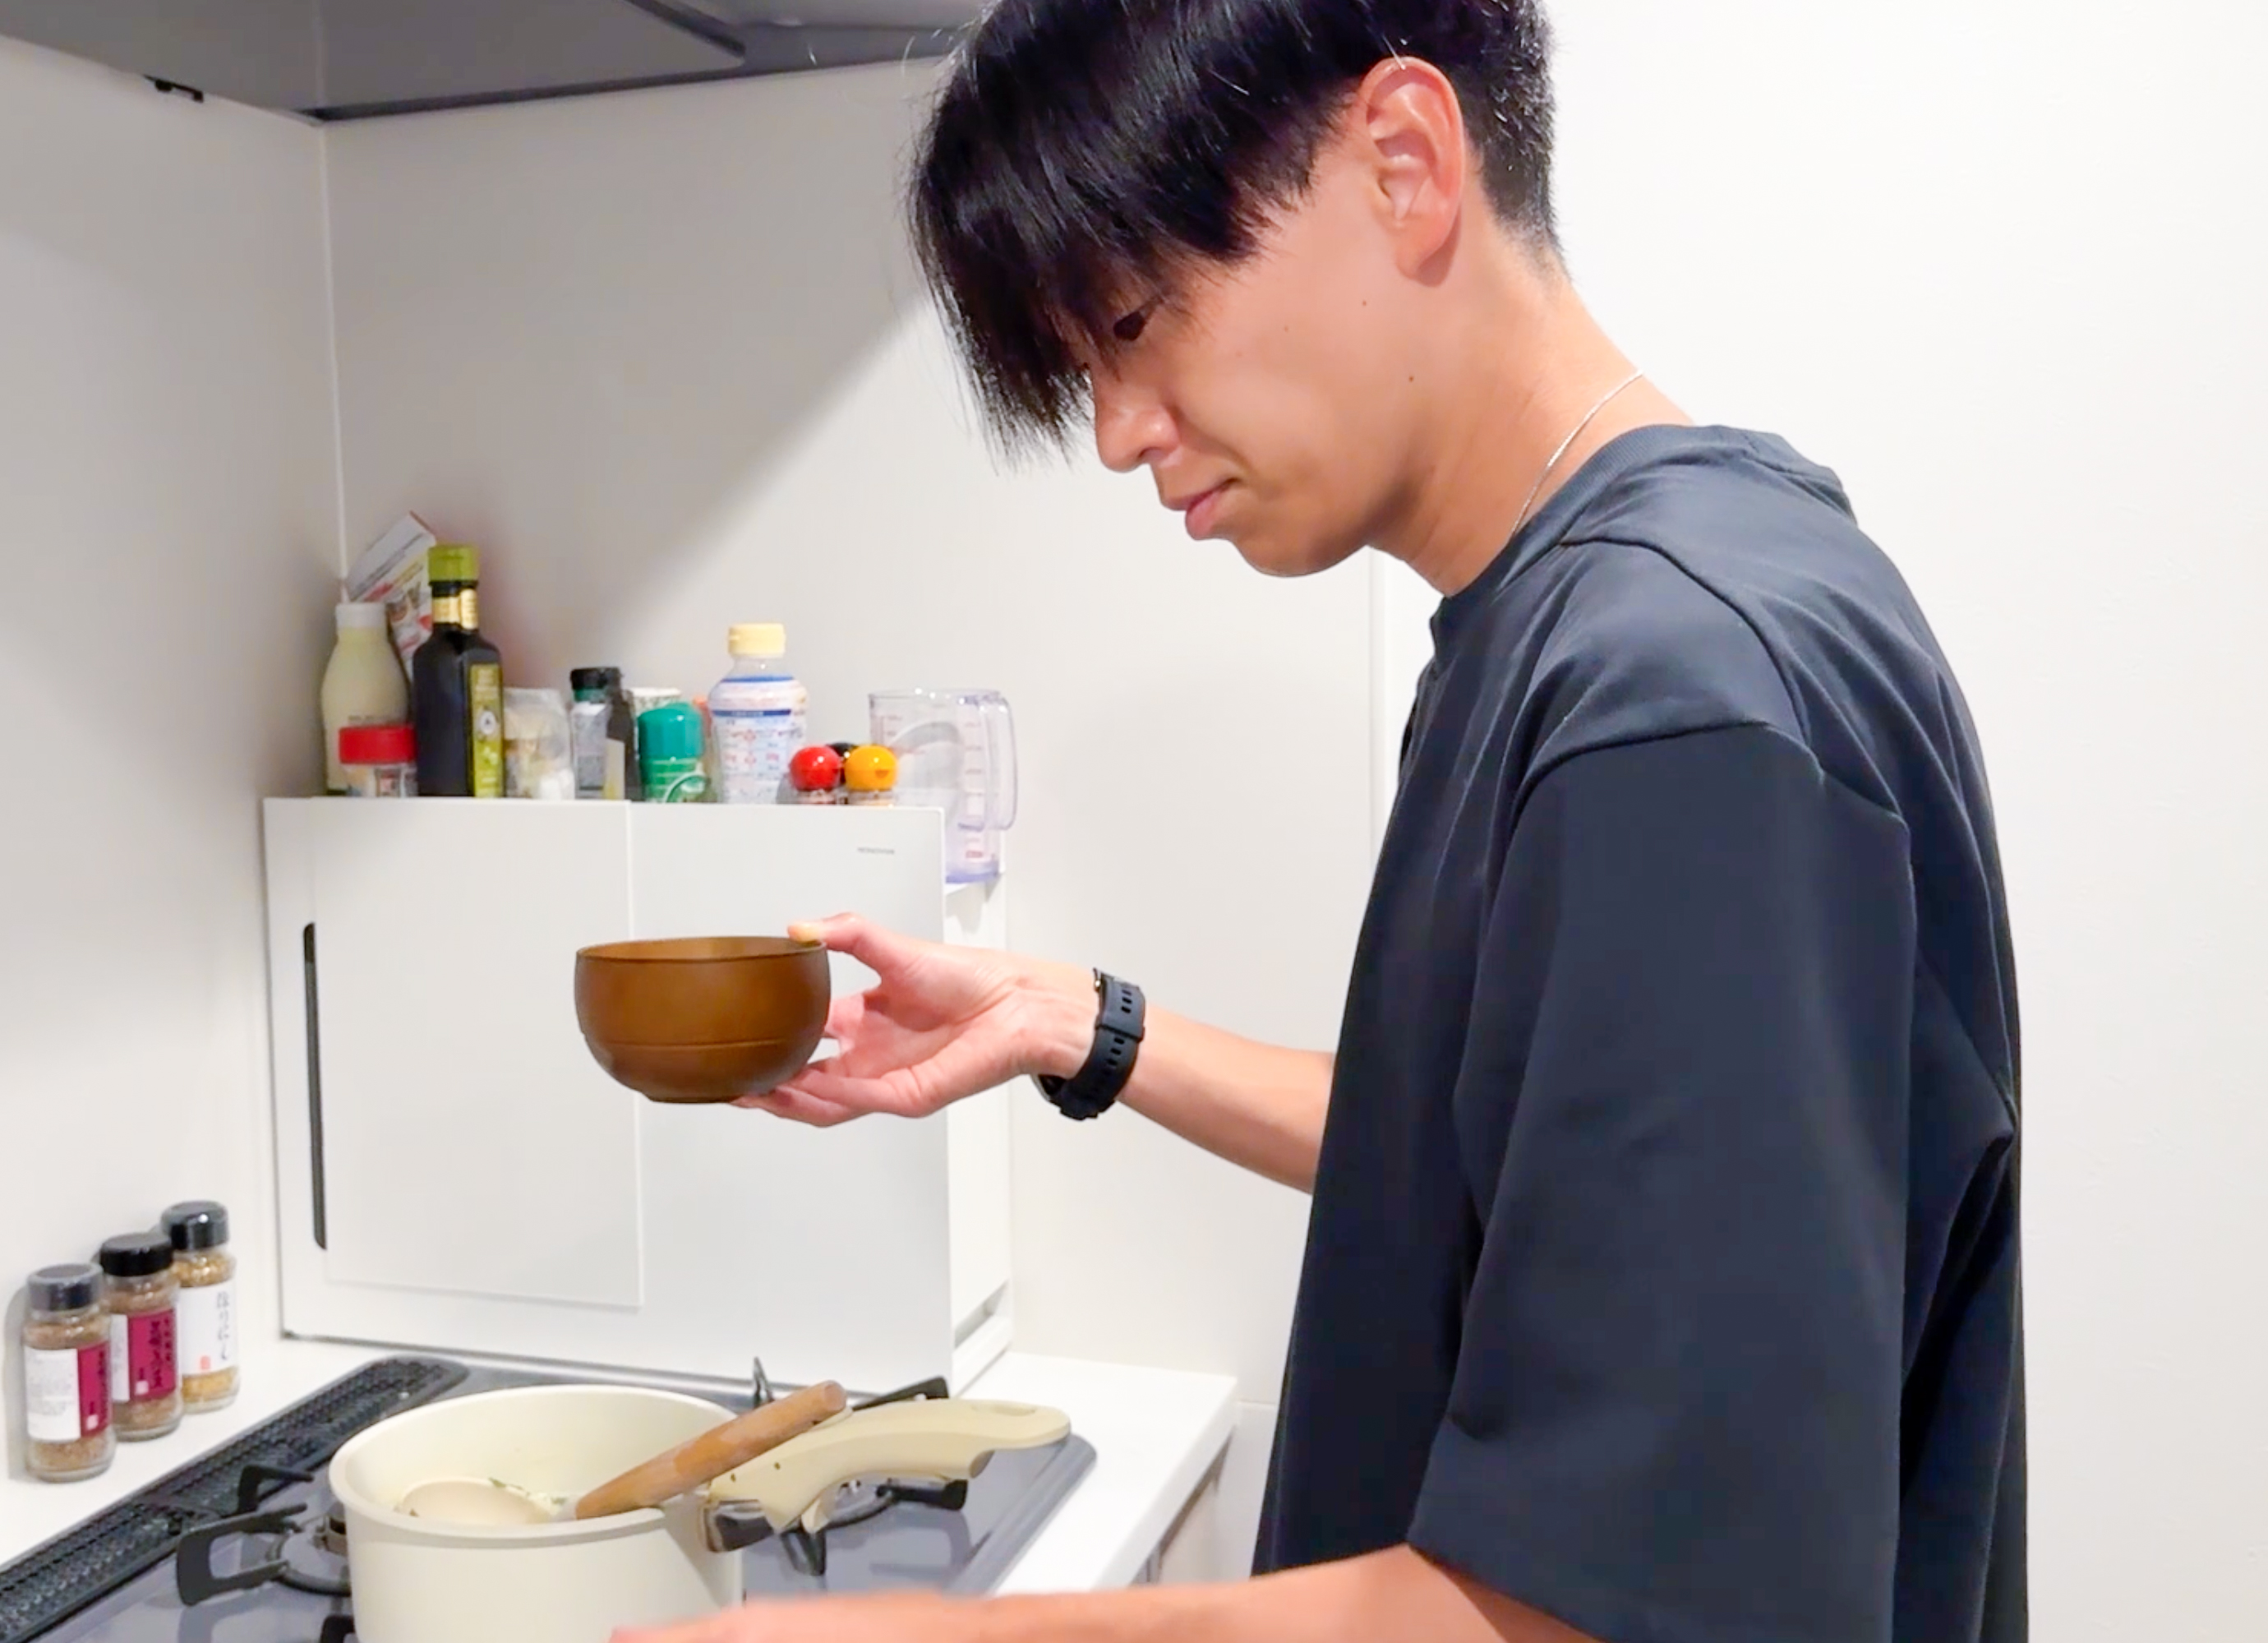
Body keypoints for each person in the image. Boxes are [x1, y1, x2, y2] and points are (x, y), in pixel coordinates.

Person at [618, 3, 2024, 1642]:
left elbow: (1606, 1613)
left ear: (1403, 163)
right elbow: (1513, 1161)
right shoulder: (1608, 614)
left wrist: (914, 1633)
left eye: (1133, 323)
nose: (1117, 433)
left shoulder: (1673, 705)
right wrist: (1075, 1023)